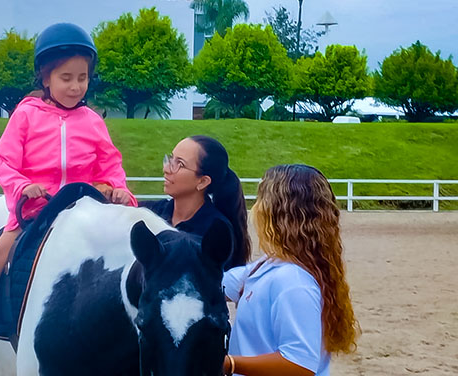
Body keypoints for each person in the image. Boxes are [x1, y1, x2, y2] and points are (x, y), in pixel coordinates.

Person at [0, 23, 136, 375]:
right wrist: (21, 188)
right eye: (66, 78)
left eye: (82, 78)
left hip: (83, 208)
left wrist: (118, 189)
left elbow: (110, 164)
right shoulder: (26, 115)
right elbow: (3, 161)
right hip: (38, 210)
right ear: (46, 77)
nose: (76, 86)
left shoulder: (92, 121)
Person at [221, 164, 359, 376]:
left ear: (276, 211)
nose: (255, 208)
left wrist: (229, 363)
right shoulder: (269, 265)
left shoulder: (293, 281)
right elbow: (219, 284)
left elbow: (299, 365)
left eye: (260, 199)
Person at [139, 135, 251, 270]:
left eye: (179, 164)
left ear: (203, 181)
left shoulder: (215, 233)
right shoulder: (151, 213)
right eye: (170, 159)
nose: (166, 169)